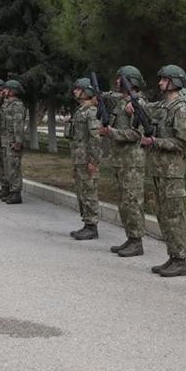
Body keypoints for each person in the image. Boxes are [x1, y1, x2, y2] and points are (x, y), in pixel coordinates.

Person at [127, 65, 186, 276]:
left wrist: (155, 141)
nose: (160, 83)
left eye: (164, 79)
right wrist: (134, 105)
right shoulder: (163, 106)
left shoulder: (180, 109)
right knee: (163, 215)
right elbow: (145, 108)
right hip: (158, 169)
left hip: (172, 172)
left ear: (175, 82)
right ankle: (172, 256)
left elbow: (181, 143)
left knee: (174, 216)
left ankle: (180, 260)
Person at [102, 66, 148, 257]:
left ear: (130, 81)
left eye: (120, 78)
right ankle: (130, 237)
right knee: (124, 202)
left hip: (132, 162)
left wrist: (111, 133)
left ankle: (137, 242)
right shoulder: (123, 102)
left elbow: (137, 134)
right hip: (121, 160)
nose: (117, 81)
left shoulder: (139, 103)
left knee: (132, 202)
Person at [68, 78, 102, 240]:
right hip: (79, 159)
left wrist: (93, 161)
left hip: (87, 160)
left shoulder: (91, 112)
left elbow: (96, 139)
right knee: (82, 192)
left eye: (78, 89)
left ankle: (91, 226)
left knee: (89, 192)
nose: (74, 91)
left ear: (86, 91)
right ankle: (86, 223)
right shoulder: (80, 111)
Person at [0, 80, 27, 204]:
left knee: (13, 168)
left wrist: (18, 142)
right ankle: (11, 191)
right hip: (6, 141)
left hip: (13, 142)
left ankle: (16, 193)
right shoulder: (7, 104)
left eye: (6, 89)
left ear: (12, 91)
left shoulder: (17, 105)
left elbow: (18, 124)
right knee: (8, 167)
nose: (3, 91)